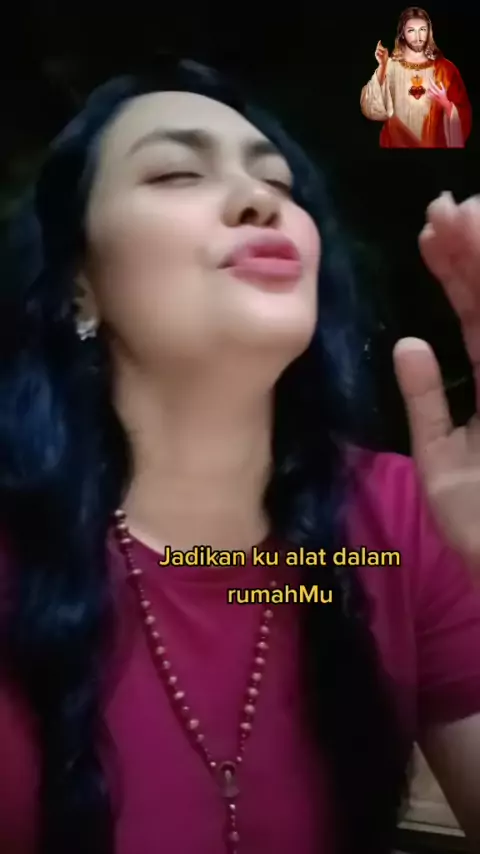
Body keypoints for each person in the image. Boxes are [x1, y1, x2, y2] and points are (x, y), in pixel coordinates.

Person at [0, 57, 479, 854]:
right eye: (176, 173)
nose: (261, 201)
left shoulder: (405, 517)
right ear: (80, 283)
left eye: (280, 185)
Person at [360, 6, 472, 147]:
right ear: (402, 34)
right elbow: (371, 109)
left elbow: (464, 115)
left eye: (422, 30)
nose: (418, 37)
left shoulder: (445, 69)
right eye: (411, 31)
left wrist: (447, 105)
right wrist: (382, 67)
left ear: (429, 32)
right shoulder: (390, 67)